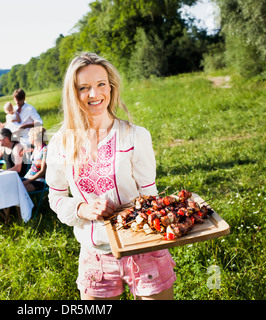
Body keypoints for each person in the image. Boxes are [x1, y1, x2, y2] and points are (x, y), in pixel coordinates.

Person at [45, 52, 176, 300]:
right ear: (73, 93)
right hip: (96, 256)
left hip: (143, 249)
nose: (94, 94)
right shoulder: (59, 143)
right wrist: (83, 208)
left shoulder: (136, 136)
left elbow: (150, 195)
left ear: (111, 87)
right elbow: (56, 198)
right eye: (84, 88)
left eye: (100, 84)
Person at [22, 126, 47, 192]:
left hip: (39, 181)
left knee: (19, 190)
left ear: (34, 138)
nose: (28, 138)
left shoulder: (45, 150)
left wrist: (27, 181)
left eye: (29, 136)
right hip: (29, 178)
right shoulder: (36, 149)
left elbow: (42, 171)